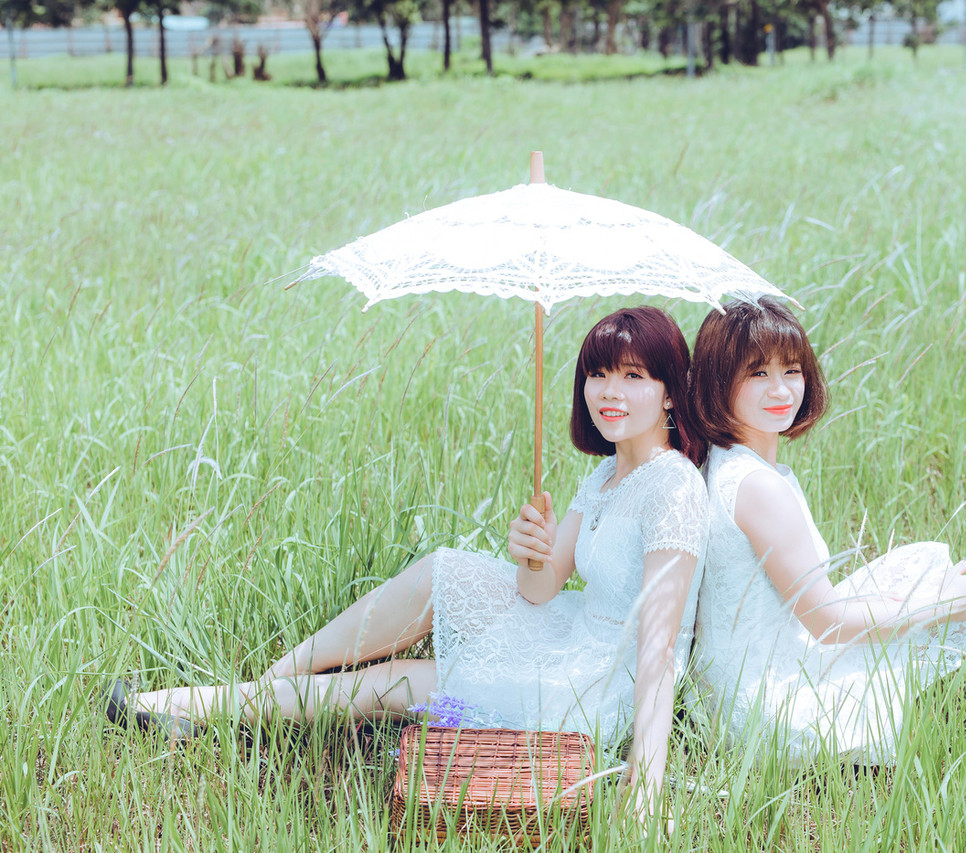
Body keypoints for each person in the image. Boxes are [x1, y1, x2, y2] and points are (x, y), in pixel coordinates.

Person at [106, 306, 709, 821]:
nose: (609, 391)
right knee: (439, 572)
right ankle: (278, 678)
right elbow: (540, 590)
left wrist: (646, 783)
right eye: (598, 374)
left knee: (393, 682)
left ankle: (195, 706)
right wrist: (531, 553)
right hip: (566, 627)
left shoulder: (673, 488)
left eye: (633, 376)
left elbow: (658, 648)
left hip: (597, 683)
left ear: (669, 392)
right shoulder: (606, 474)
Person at [688, 297, 966, 764]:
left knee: (925, 573)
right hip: (769, 707)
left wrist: (932, 599)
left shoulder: (725, 464)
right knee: (955, 609)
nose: (781, 389)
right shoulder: (758, 487)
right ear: (718, 382)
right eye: (757, 373)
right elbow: (825, 623)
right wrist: (940, 605)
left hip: (731, 691)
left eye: (791, 370)